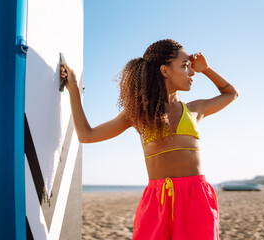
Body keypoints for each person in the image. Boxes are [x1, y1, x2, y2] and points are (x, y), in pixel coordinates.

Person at [61, 39, 239, 240]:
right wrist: (73, 89)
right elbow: (87, 135)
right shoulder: (139, 115)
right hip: (157, 201)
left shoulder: (195, 110)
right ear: (165, 70)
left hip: (196, 198)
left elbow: (231, 93)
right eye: (185, 66)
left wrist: (207, 69)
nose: (192, 73)